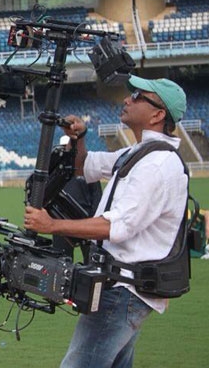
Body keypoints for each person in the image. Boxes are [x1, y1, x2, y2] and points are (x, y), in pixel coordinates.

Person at [24, 75, 188, 367]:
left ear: (158, 115)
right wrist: (79, 138)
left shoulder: (156, 165)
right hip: (122, 287)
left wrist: (52, 225)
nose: (127, 99)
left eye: (137, 96)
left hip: (123, 291)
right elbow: (84, 166)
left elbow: (116, 227)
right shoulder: (141, 153)